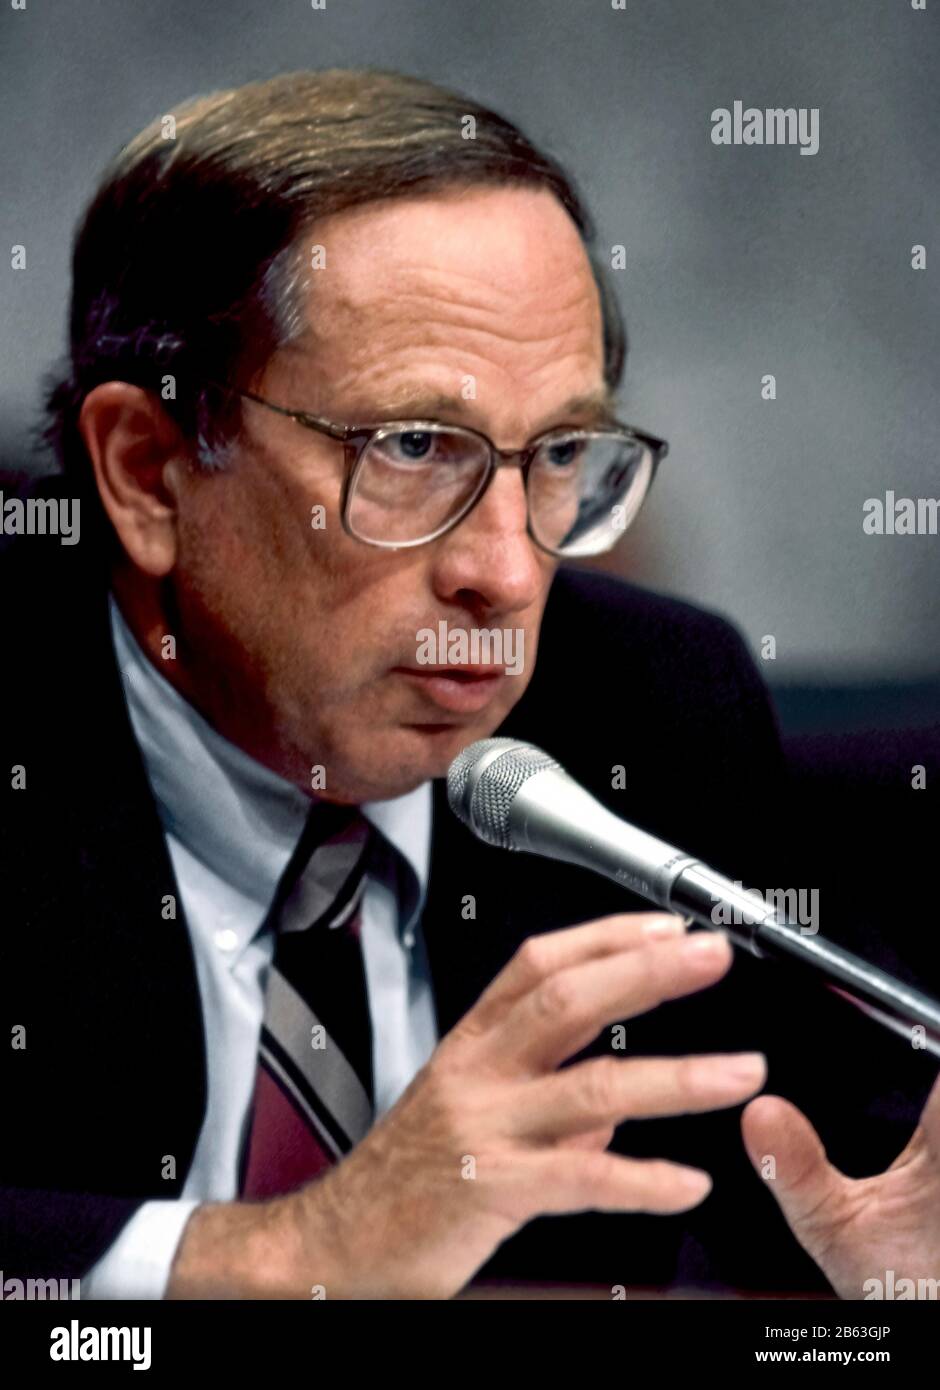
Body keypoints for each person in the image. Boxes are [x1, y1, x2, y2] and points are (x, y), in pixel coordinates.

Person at [1, 68, 937, 1300]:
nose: (505, 572)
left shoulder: (649, 707)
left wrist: (880, 1288)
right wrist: (290, 1256)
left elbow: (830, 1186)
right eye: (410, 447)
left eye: (557, 455)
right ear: (146, 473)